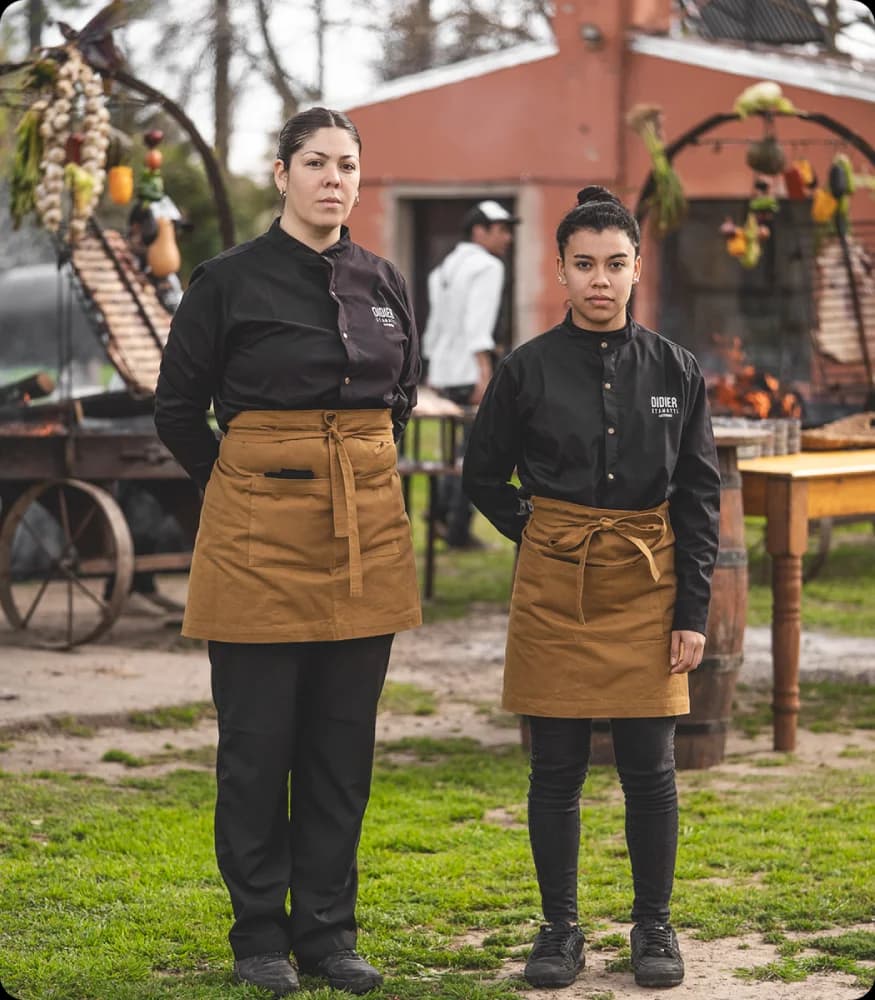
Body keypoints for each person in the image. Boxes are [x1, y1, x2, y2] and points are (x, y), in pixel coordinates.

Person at [154, 107, 421, 997]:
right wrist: (242, 485)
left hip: (365, 535)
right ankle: (259, 936)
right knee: (259, 747)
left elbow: (401, 399)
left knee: (342, 748)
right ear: (280, 174)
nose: (332, 178)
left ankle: (329, 935)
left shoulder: (384, 281)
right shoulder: (225, 282)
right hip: (254, 538)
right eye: (315, 162)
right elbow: (177, 409)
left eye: (346, 164)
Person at [462, 186, 720, 991]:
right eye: (584, 265)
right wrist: (542, 540)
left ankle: (654, 929)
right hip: (554, 585)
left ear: (637, 268)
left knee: (649, 768)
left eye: (614, 264)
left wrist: (691, 612)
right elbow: (480, 476)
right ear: (562, 271)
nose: (599, 280)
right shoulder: (525, 369)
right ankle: (558, 931)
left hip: (648, 583)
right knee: (556, 770)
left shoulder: (677, 370)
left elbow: (698, 498)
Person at [422, 199, 517, 548]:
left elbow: (434, 325)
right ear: (480, 231)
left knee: (454, 452)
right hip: (470, 370)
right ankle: (457, 531)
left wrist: (432, 366)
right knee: (475, 454)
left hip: (446, 370)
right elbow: (478, 325)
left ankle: (440, 515)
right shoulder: (487, 266)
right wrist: (485, 373)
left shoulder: (444, 268)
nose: (507, 237)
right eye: (501, 229)